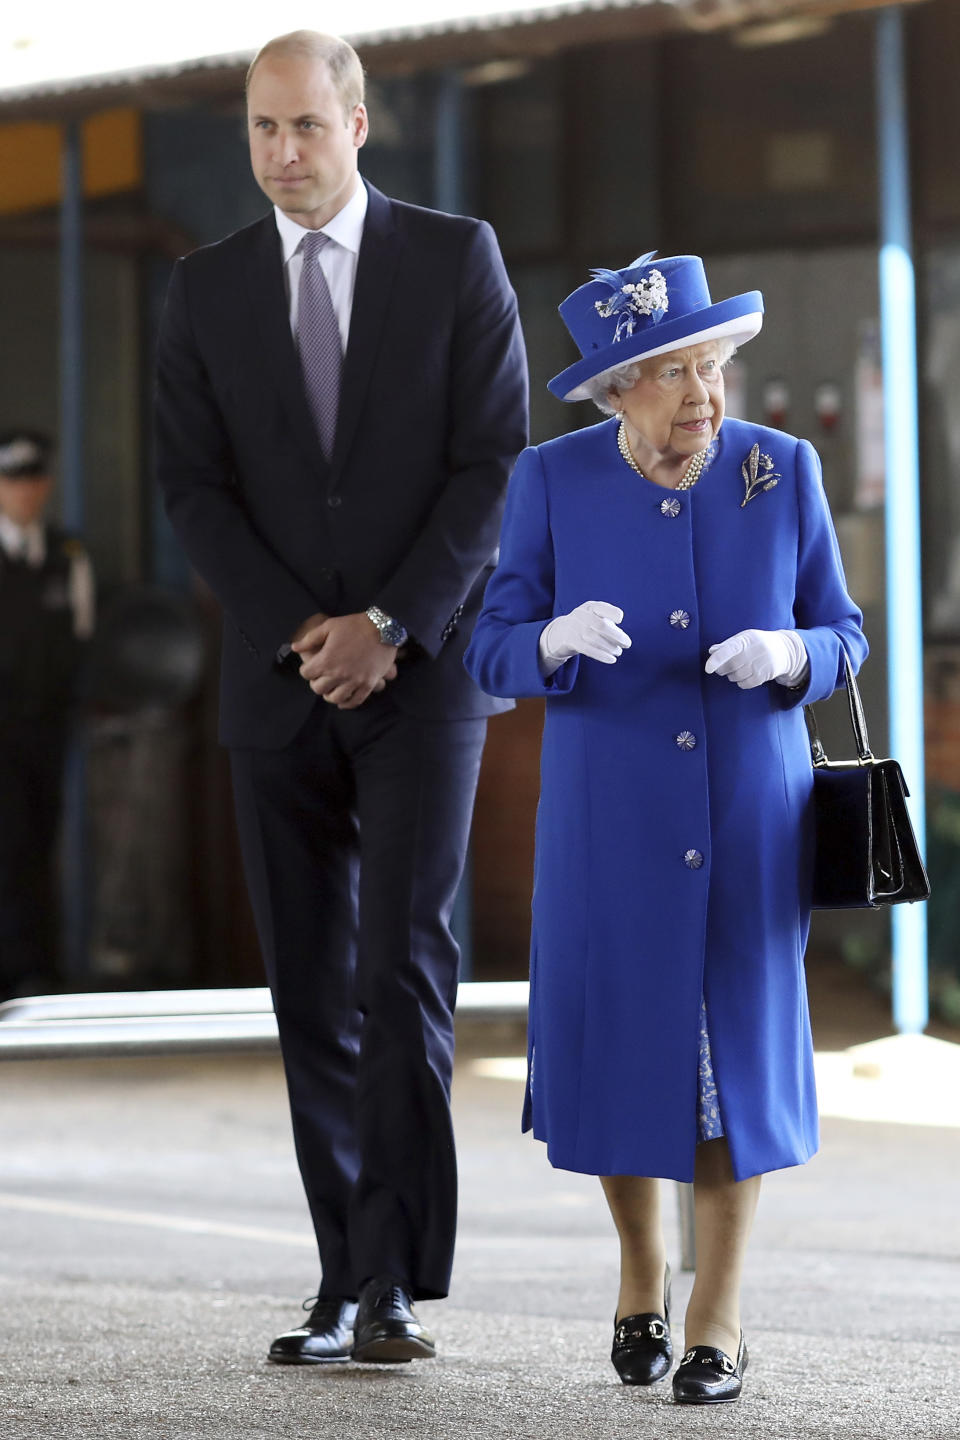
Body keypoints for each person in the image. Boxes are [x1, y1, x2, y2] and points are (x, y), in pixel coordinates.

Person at [155, 30, 527, 1365]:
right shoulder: (203, 291)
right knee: (311, 989)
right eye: (262, 129)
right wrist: (304, 632)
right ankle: (339, 1276)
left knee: (404, 970)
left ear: (360, 125)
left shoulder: (455, 258)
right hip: (280, 681)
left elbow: (492, 466)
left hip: (422, 681)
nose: (283, 154)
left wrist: (391, 624)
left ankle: (392, 1282)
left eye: (306, 126)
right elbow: (193, 489)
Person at [464, 253, 867, 1405]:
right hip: (610, 823)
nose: (702, 393)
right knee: (625, 1049)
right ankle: (643, 1269)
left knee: (731, 1061)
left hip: (749, 814)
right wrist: (548, 640)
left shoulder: (781, 470)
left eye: (710, 365)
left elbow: (843, 628)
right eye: (672, 372)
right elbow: (490, 644)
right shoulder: (553, 478)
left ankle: (717, 1315)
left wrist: (797, 655)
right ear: (615, 389)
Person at [0, 430, 95, 1001]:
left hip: (45, 727)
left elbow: (80, 641)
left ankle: (38, 969)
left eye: (33, 481)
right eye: (13, 480)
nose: (24, 493)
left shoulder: (67, 557)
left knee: (39, 839)